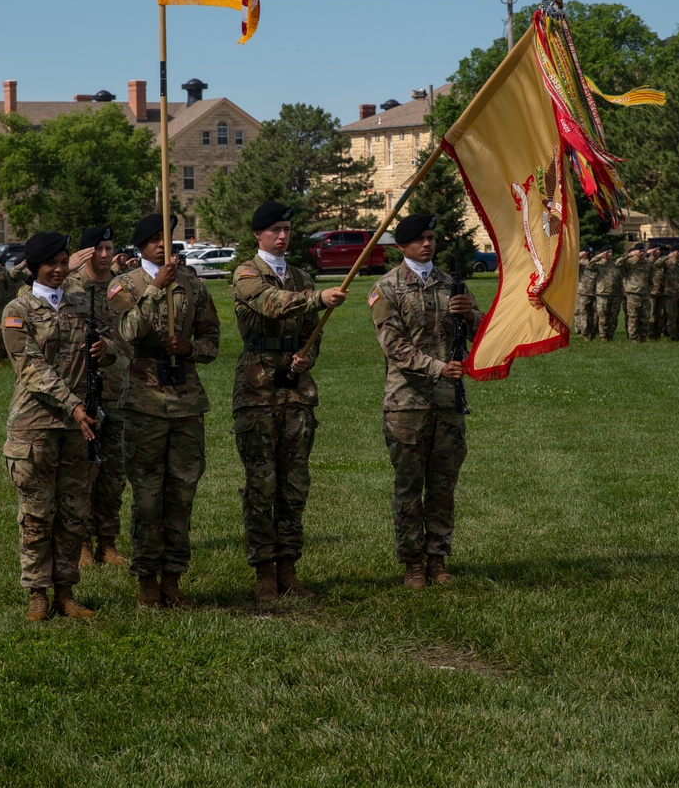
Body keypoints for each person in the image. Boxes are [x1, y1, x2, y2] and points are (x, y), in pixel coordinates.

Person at [1, 231, 121, 621]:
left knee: (73, 514)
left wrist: (107, 352)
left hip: (79, 429)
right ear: (35, 268)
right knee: (37, 514)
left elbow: (112, 345)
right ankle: (37, 593)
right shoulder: (17, 310)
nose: (58, 269)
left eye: (63, 261)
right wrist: (73, 406)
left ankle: (66, 594)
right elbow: (32, 367)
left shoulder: (82, 304)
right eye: (50, 263)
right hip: (36, 427)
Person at [231, 202, 347, 602]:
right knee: (262, 484)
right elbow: (270, 304)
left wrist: (306, 357)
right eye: (275, 230)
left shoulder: (300, 276)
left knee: (294, 483)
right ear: (258, 235)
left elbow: (314, 333)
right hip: (257, 389)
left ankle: (288, 569)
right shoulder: (247, 273)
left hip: (296, 390)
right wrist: (318, 297)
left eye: (287, 229)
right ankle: (264, 572)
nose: (283, 236)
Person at [109, 214, 219, 609]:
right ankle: (147, 582)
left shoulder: (193, 284)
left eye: (166, 239)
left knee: (181, 494)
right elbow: (127, 334)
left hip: (187, 401)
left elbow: (211, 338)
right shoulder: (126, 285)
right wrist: (156, 289)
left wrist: (191, 349)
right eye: (154, 240)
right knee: (148, 497)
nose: (162, 246)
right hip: (145, 402)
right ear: (141, 247)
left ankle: (173, 577)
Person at [369, 214, 483, 589]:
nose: (427, 244)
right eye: (419, 239)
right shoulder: (386, 288)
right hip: (407, 402)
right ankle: (412, 563)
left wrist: (471, 314)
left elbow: (483, 330)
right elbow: (394, 346)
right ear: (402, 247)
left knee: (442, 486)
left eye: (432, 237)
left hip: (448, 401)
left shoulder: (452, 284)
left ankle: (438, 558)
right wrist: (437, 368)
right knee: (408, 486)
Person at [63, 225, 133, 570]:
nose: (104, 256)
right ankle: (81, 545)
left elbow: (133, 336)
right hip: (81, 392)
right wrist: (69, 270)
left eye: (108, 248)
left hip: (117, 389)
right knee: (82, 472)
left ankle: (108, 542)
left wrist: (111, 348)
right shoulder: (68, 288)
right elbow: (29, 297)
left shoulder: (123, 288)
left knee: (113, 473)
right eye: (97, 250)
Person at [617, 243, 651, 343]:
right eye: (640, 251)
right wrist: (629, 255)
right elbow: (617, 263)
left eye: (643, 251)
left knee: (644, 317)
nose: (642, 252)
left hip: (644, 293)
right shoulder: (629, 262)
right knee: (633, 317)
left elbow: (651, 277)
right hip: (633, 293)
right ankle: (633, 337)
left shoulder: (647, 263)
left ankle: (643, 336)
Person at [591, 248, 622, 341]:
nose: (611, 254)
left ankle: (611, 335)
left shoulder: (615, 265)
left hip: (615, 294)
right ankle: (603, 336)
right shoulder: (598, 265)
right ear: (603, 254)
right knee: (603, 316)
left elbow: (620, 279)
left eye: (611, 252)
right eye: (608, 252)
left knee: (614, 317)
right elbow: (589, 266)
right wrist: (598, 257)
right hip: (603, 295)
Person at [573, 248, 596, 340]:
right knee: (582, 312)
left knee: (594, 314)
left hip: (595, 291)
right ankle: (582, 331)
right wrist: (579, 255)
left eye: (589, 253)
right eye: (586, 252)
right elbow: (570, 262)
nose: (587, 254)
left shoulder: (594, 264)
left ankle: (593, 332)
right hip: (583, 291)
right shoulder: (579, 264)